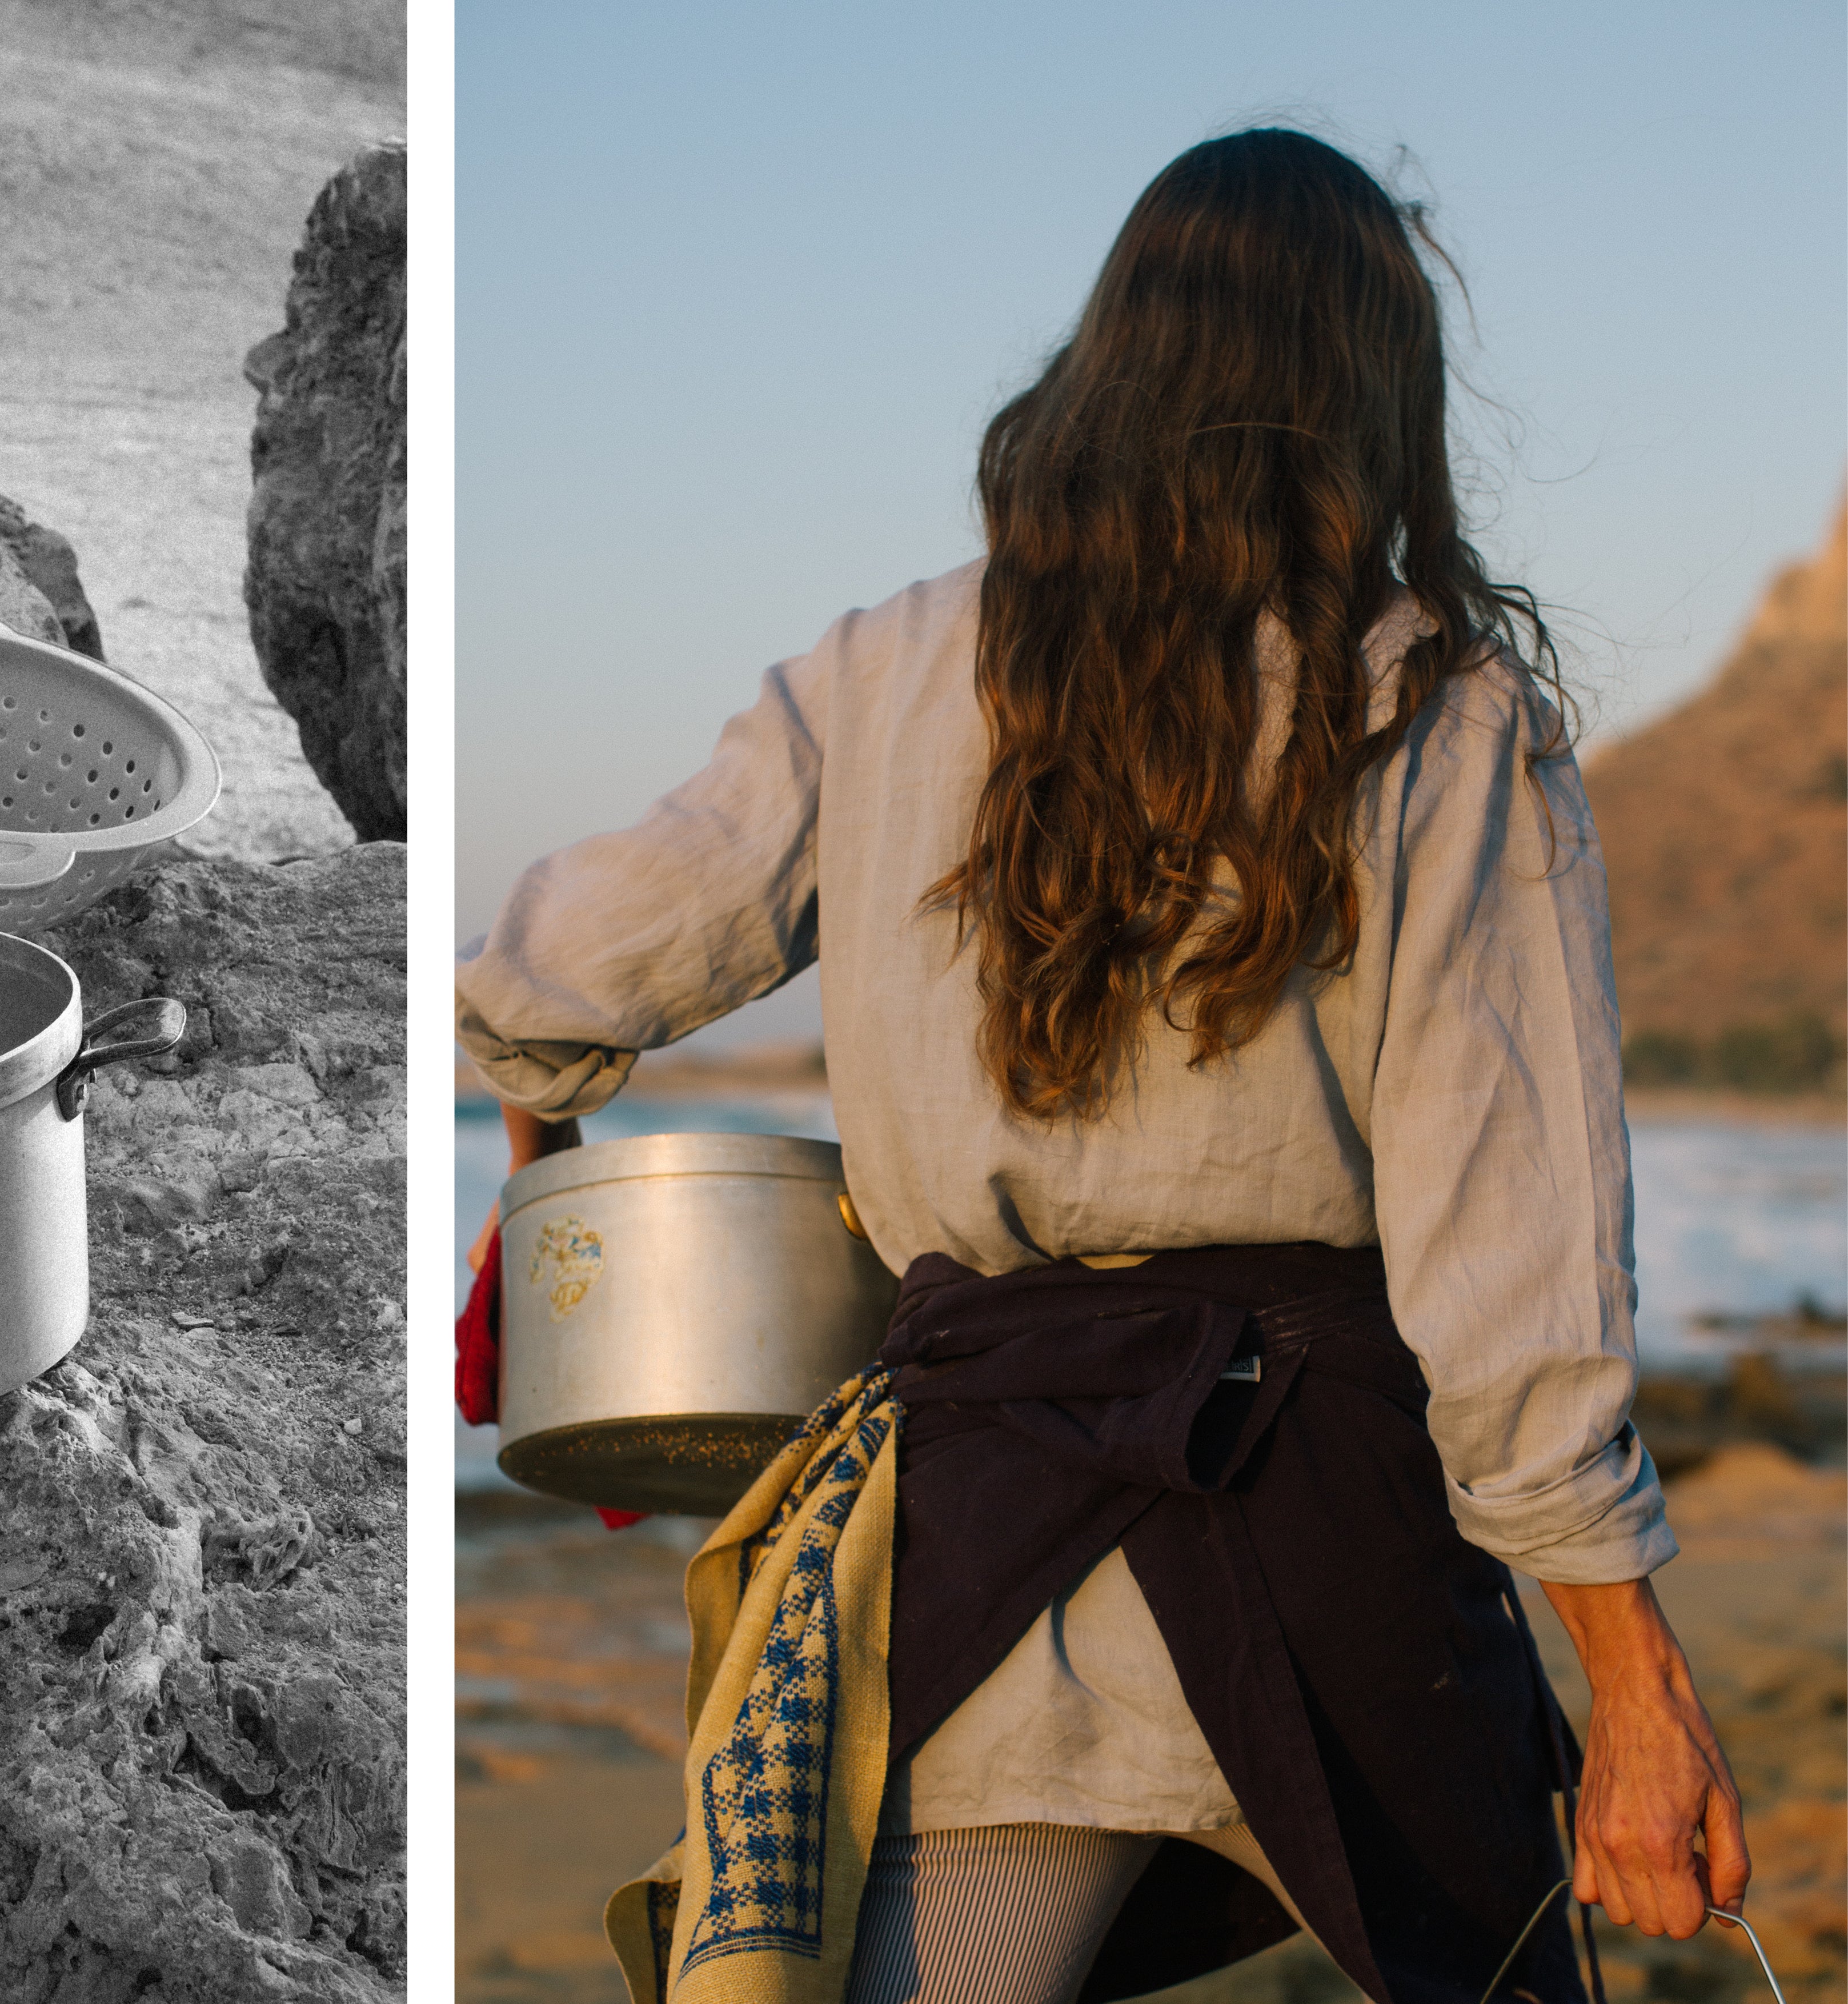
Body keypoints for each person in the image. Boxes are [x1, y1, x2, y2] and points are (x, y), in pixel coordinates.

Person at [455, 129, 1746, 2002]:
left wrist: (545, 1184)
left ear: (1111, 359)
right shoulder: (1433, 713)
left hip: (994, 1551)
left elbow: (543, 982)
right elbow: (1509, 1258)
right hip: (1335, 1554)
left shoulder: (890, 670)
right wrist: (1635, 1688)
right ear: (1367, 393)